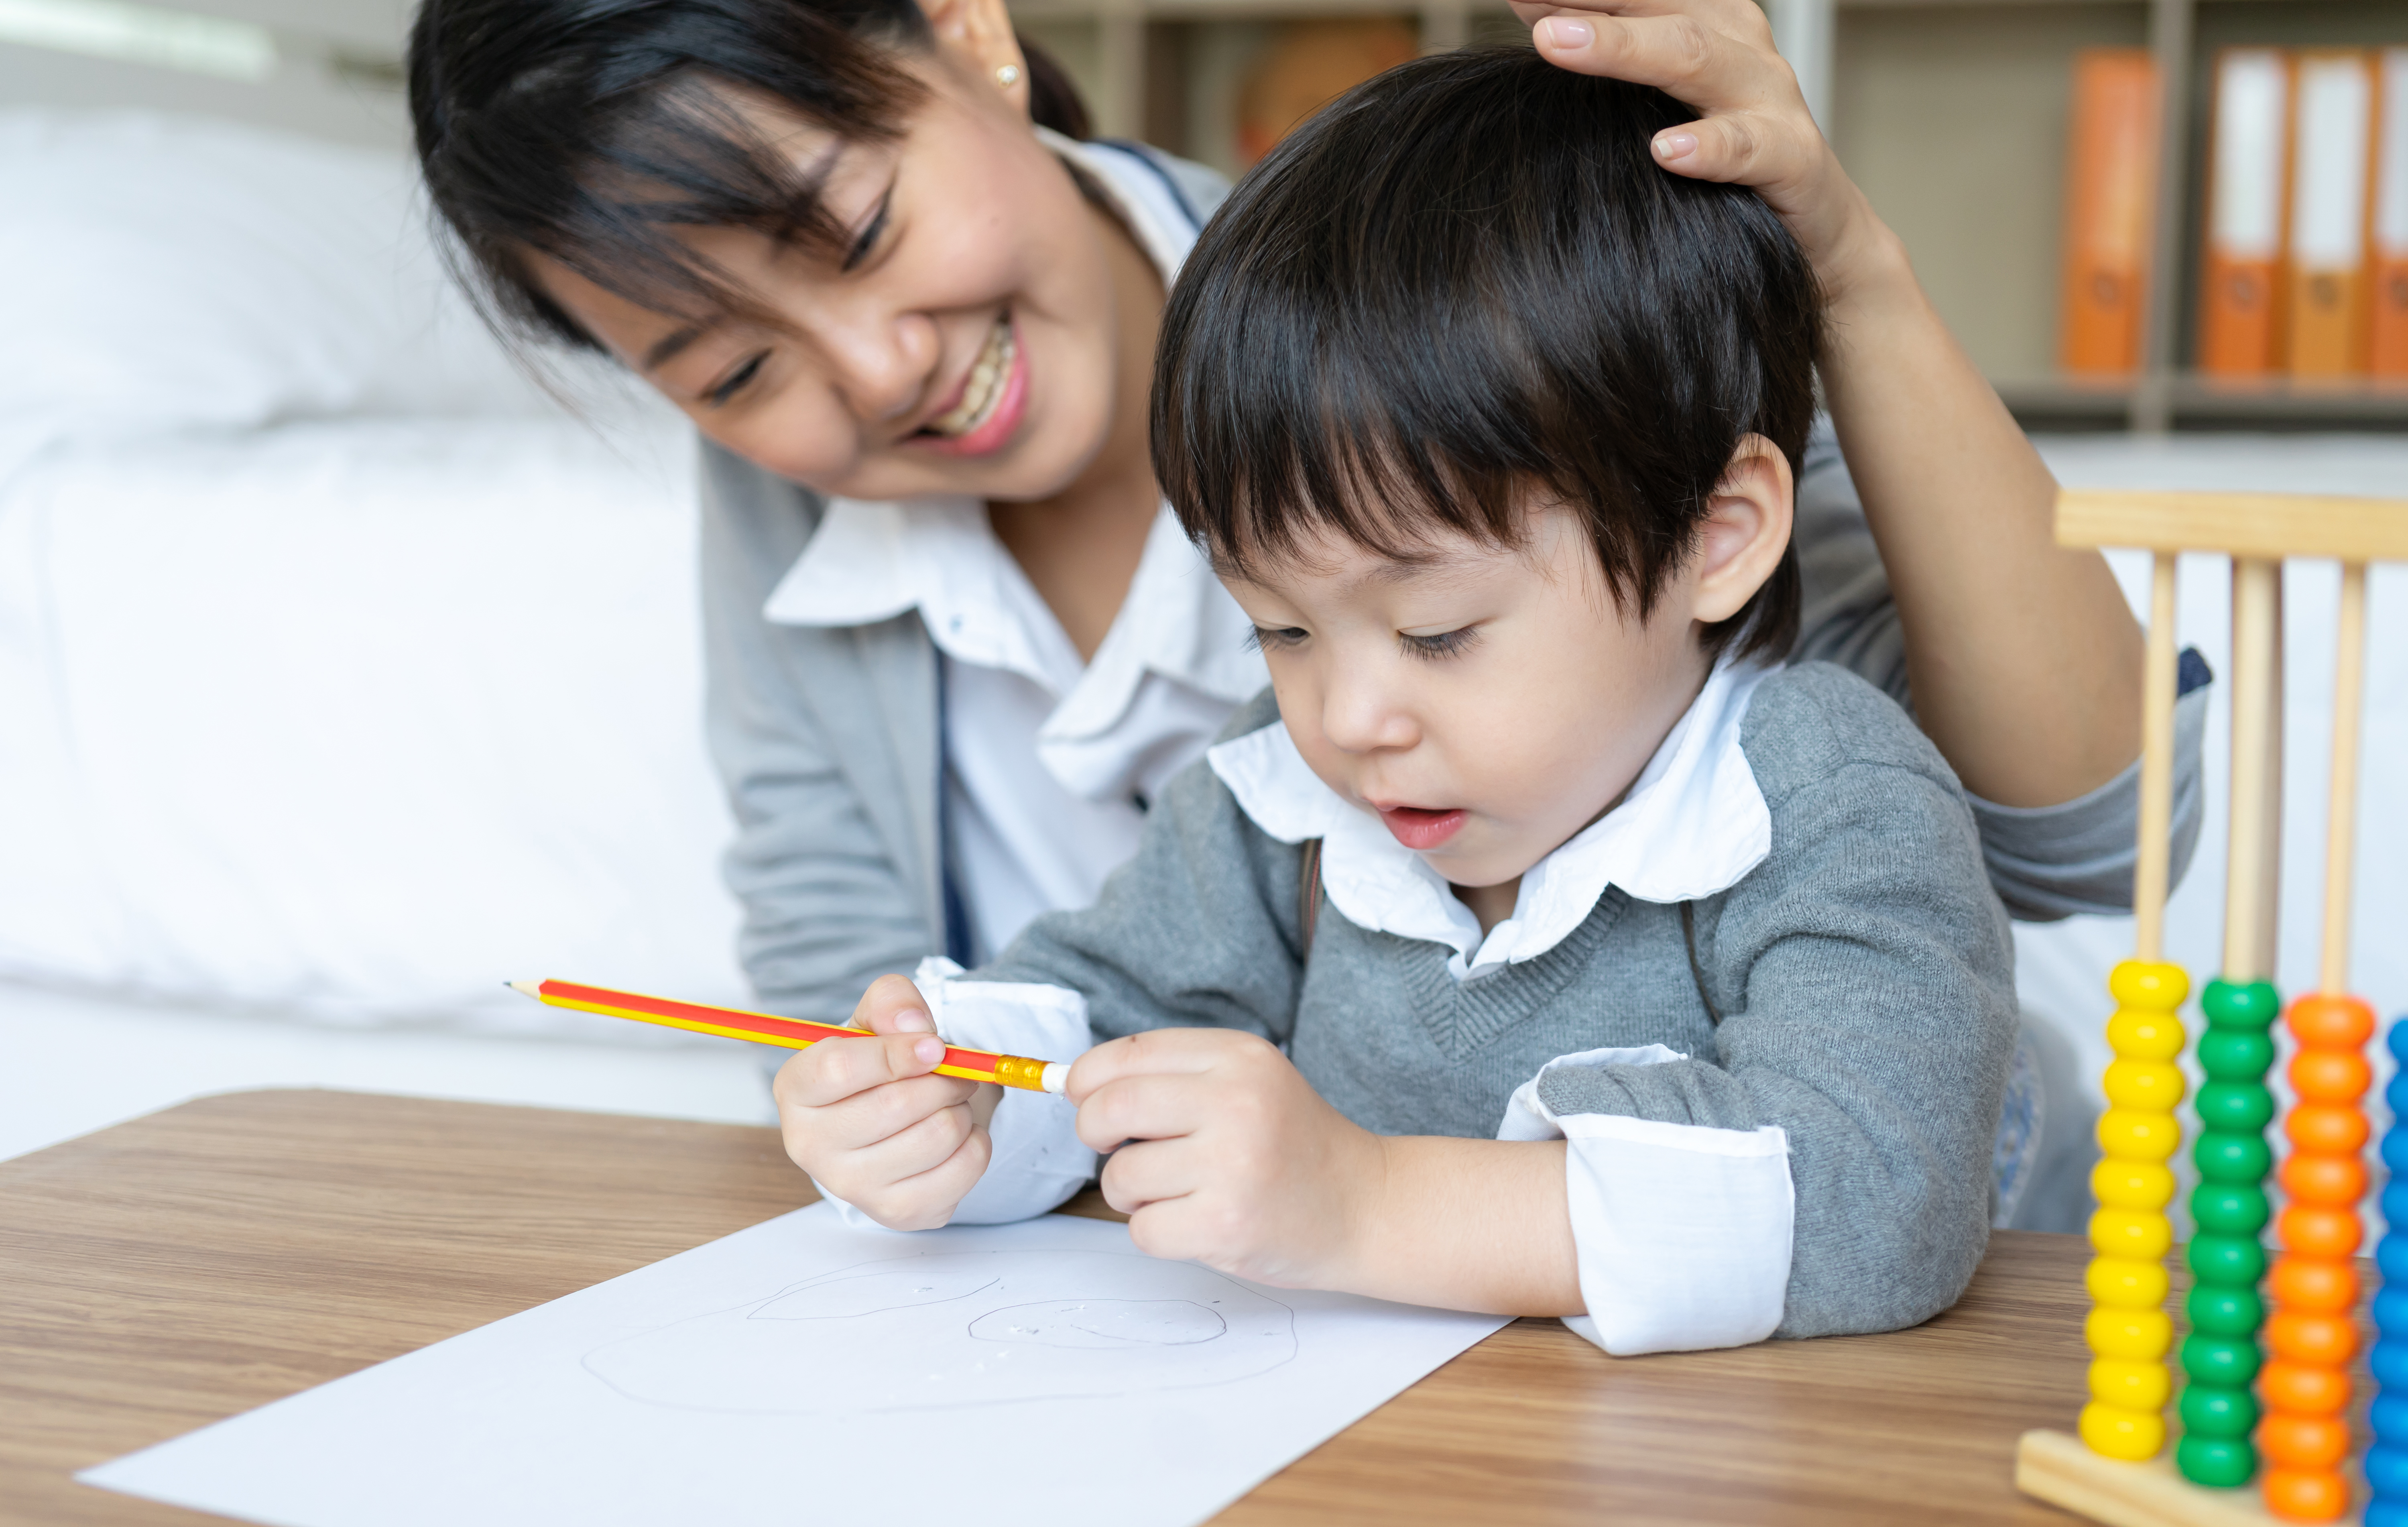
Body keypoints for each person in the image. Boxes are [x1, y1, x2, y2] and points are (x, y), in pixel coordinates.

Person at [407, 0, 2205, 1226]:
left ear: (967, 33)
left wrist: (1850, 267)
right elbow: (876, 992)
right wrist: (917, 1111)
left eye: (861, 228)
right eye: (730, 369)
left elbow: (2095, 839)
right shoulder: (788, 500)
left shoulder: (1465, 311)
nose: (872, 377)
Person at [778, 51, 2020, 1351]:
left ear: (1716, 537)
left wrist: (1366, 1204)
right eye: (1281, 628)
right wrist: (964, 1097)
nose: (1350, 717)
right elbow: (1097, 1017)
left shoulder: (1827, 802)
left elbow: (1880, 1203)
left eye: (1437, 631)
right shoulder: (1280, 796)